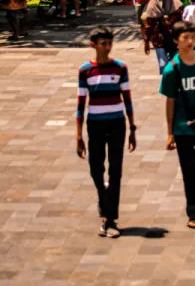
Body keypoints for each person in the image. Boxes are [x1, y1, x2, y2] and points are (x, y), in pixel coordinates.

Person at [76, 26, 136, 238]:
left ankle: (109, 218)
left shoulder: (120, 67)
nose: (107, 48)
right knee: (96, 168)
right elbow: (81, 104)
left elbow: (127, 98)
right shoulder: (85, 70)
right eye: (103, 44)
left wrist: (133, 128)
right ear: (93, 45)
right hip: (95, 124)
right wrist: (78, 136)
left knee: (116, 169)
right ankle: (104, 200)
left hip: (117, 122)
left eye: (110, 43)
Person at [159, 21, 195, 229]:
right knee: (188, 168)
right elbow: (169, 101)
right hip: (182, 126)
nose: (190, 41)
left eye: (192, 37)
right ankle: (193, 210)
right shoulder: (171, 70)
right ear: (176, 41)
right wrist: (169, 133)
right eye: (185, 38)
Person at [143, 0, 182, 73]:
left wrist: (169, 22)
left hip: (174, 40)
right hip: (159, 41)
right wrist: (146, 43)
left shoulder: (175, 2)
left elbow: (181, 21)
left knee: (176, 67)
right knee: (163, 68)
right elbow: (149, 26)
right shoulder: (152, 5)